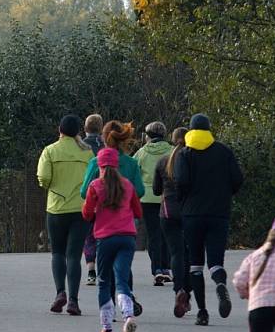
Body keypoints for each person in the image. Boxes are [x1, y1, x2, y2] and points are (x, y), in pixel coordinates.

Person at [174, 113, 243, 326]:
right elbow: (238, 180)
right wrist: (224, 195)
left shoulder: (185, 154)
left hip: (192, 214)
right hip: (218, 213)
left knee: (195, 264)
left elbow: (181, 181)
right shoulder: (224, 152)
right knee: (215, 261)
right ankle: (220, 284)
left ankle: (202, 312)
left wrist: (183, 201)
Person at [81, 120, 146, 315]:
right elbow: (140, 190)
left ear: (103, 137)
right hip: (127, 220)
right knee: (123, 265)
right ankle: (128, 297)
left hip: (103, 223)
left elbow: (85, 191)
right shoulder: (132, 163)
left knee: (105, 268)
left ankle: (109, 309)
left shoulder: (96, 162)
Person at [82, 147, 142, 332]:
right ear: (117, 165)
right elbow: (138, 212)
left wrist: (97, 213)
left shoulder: (96, 186)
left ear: (99, 166)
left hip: (105, 238)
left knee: (104, 282)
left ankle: (107, 330)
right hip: (127, 238)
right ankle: (128, 316)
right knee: (122, 281)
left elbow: (87, 213)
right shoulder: (127, 185)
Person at [37, 114, 93, 316]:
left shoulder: (50, 151)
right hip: (80, 208)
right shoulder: (87, 153)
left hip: (56, 208)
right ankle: (73, 301)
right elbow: (94, 177)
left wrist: (52, 186)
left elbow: (43, 178)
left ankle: (60, 292)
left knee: (58, 253)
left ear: (59, 130)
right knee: (74, 255)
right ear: (78, 131)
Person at [153, 126, 199, 318]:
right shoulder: (193, 161)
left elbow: (156, 190)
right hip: (190, 212)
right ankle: (187, 292)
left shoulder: (163, 161)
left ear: (172, 140)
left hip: (168, 212)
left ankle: (178, 290)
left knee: (176, 252)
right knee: (190, 254)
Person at [133, 121, 173, 285]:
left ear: (147, 136)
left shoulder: (141, 153)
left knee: (153, 234)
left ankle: (156, 269)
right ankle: (167, 268)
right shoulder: (171, 151)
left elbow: (135, 171)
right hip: (166, 197)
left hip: (147, 198)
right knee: (167, 233)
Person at [82, 114, 105, 285]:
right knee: (104, 234)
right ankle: (105, 268)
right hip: (107, 195)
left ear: (85, 128)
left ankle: (91, 269)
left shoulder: (81, 146)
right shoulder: (105, 146)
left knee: (89, 235)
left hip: (90, 195)